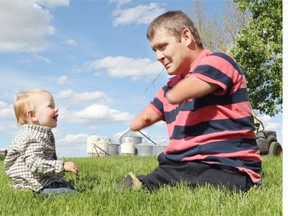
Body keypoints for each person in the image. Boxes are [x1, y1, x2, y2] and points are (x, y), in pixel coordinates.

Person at [119, 11, 262, 192]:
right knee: (157, 178)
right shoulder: (172, 86)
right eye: (155, 50)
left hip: (226, 164)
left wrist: (169, 96)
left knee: (201, 184)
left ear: (186, 36)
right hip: (177, 165)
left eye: (162, 46)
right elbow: (142, 120)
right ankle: (141, 185)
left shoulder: (218, 61)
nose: (158, 56)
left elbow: (185, 90)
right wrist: (137, 122)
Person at [4, 89, 79, 196]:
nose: (56, 109)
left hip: (41, 179)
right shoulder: (30, 137)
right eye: (50, 106)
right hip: (33, 184)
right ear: (33, 115)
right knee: (72, 194)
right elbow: (35, 164)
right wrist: (62, 166)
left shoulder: (39, 133)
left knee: (67, 186)